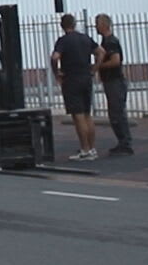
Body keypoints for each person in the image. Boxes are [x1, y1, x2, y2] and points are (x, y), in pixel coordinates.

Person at [50, 13, 98, 160]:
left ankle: (84, 149)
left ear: (62, 26)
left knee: (78, 116)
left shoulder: (63, 41)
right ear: (75, 23)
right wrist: (95, 68)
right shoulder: (85, 38)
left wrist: (56, 73)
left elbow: (55, 57)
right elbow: (100, 52)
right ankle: (92, 148)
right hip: (86, 77)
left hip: (71, 79)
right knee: (87, 114)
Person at [94, 13, 133, 156]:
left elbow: (116, 61)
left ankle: (125, 143)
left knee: (117, 113)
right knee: (115, 112)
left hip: (114, 81)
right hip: (111, 81)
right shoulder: (106, 41)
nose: (95, 26)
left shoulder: (111, 42)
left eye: (97, 23)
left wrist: (99, 66)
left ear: (104, 25)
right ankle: (122, 141)